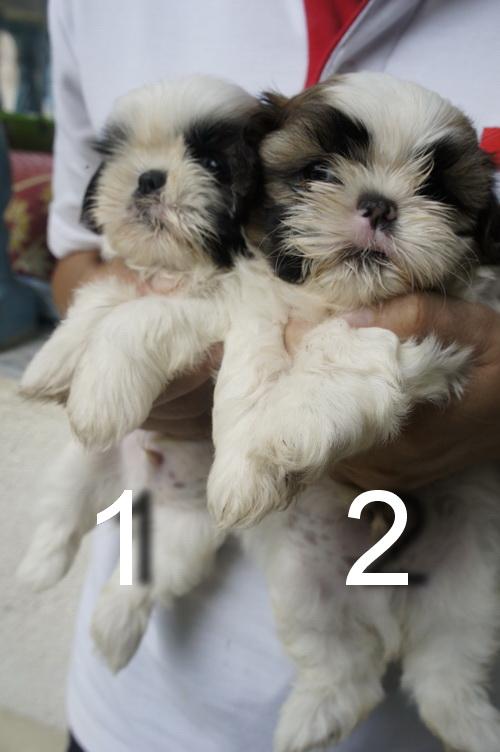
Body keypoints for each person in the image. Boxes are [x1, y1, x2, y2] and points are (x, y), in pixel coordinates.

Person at [47, 1, 500, 750]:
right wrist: (140, 340)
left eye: (434, 190)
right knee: (186, 535)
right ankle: (150, 593)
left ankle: (448, 682)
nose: (378, 206)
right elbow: (77, 252)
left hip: (406, 705)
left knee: (463, 589)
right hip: (139, 702)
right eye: (318, 172)